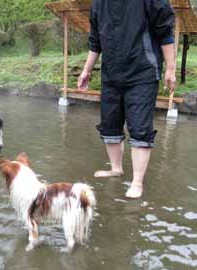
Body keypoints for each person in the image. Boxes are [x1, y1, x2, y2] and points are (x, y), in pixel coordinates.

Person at [78, 0, 176, 198]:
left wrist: (171, 69)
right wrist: (87, 70)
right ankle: (116, 169)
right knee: (109, 124)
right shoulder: (99, 4)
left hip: (143, 72)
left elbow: (165, 32)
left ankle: (137, 182)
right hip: (111, 73)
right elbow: (95, 40)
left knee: (140, 127)